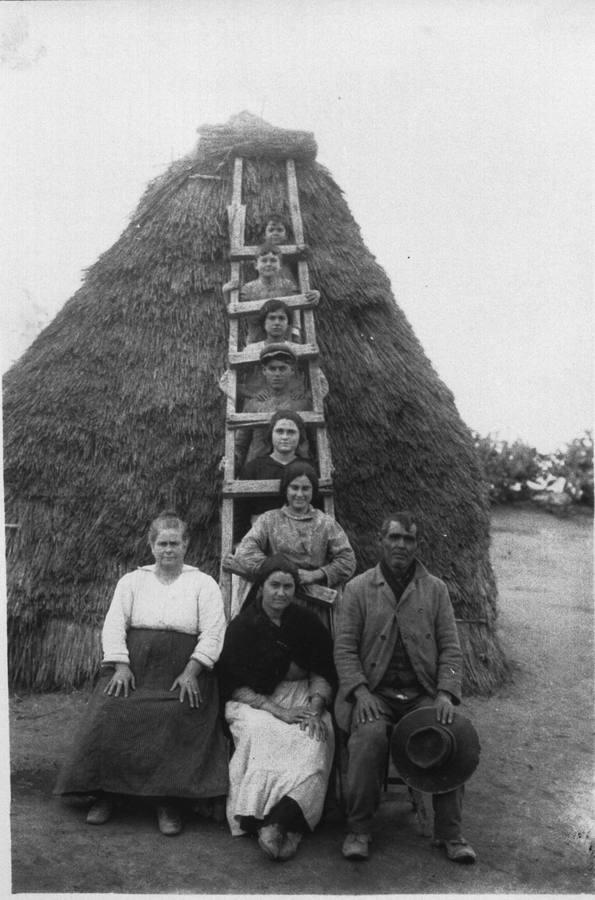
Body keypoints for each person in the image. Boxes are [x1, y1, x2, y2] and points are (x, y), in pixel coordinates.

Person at [54, 511, 229, 836]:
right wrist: (120, 665)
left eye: (174, 543)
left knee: (176, 713)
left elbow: (214, 632)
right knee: (110, 710)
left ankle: (168, 802)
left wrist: (192, 671)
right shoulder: (131, 581)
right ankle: (109, 793)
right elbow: (114, 625)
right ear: (151, 546)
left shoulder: (203, 584)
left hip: (183, 670)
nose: (168, 550)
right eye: (162, 543)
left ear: (186, 545)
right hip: (135, 669)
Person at [334, 511, 478, 863]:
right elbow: (344, 647)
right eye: (394, 537)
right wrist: (360, 692)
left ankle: (450, 833)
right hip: (374, 694)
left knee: (449, 734)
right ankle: (359, 829)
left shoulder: (436, 590)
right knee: (368, 739)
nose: (401, 545)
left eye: (408, 539)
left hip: (422, 693)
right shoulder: (357, 589)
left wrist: (445, 693)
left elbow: (451, 648)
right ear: (381, 541)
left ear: (417, 544)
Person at [217, 554, 336, 861]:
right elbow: (232, 683)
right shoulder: (242, 627)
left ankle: (281, 821)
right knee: (263, 734)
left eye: (288, 586)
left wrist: (315, 706)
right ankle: (264, 818)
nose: (281, 592)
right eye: (275, 585)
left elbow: (323, 670)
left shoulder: (307, 622)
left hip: (303, 696)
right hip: (253, 700)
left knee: (314, 738)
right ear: (261, 588)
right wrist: (277, 711)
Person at [223, 461, 356, 625]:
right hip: (273, 601)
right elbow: (246, 553)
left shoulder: (325, 523)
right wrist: (282, 572)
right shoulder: (269, 520)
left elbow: (347, 560)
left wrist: (315, 574)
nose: (299, 494)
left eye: (305, 488)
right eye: (294, 488)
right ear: (285, 489)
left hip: (312, 604)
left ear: (313, 491)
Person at [236, 410, 313, 536]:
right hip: (262, 540)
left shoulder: (309, 468)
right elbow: (241, 512)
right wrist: (240, 543)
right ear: (271, 434)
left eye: (291, 432)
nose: (285, 437)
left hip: (302, 539)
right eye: (279, 431)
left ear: (300, 436)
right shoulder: (253, 469)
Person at [222, 243, 319, 343]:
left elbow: (300, 307)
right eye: (264, 261)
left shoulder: (288, 287)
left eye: (273, 260)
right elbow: (233, 311)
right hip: (256, 344)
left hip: (284, 344)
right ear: (256, 265)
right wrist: (225, 292)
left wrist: (315, 295)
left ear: (280, 265)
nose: (268, 264)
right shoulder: (248, 290)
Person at [234, 344, 312, 467]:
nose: (277, 374)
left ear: (291, 371)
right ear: (264, 371)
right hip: (259, 472)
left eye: (282, 369)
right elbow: (240, 445)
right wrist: (233, 461)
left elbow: (315, 443)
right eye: (272, 369)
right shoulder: (253, 405)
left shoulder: (302, 403)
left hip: (296, 473)